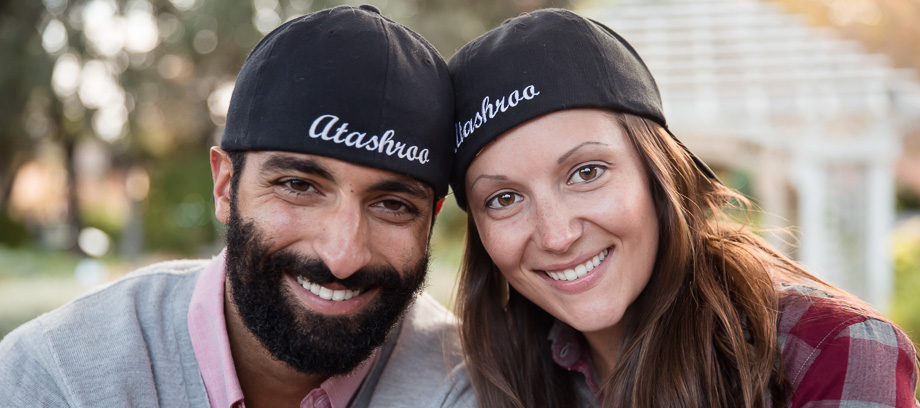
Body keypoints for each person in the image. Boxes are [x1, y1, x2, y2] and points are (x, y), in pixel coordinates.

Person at [0, 5, 473, 407]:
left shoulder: (465, 386)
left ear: (430, 220)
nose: (342, 256)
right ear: (226, 186)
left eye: (392, 204)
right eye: (299, 186)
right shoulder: (62, 379)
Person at [447, 8, 920, 408]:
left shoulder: (834, 352)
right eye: (504, 199)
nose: (556, 235)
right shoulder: (485, 377)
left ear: (659, 174)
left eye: (586, 172)